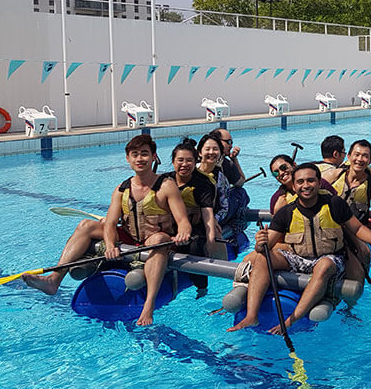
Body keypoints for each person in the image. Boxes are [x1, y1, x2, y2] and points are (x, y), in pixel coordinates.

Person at [22, 135, 191, 326]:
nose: (139, 159)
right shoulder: (121, 189)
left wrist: (183, 233)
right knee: (86, 225)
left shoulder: (166, 186)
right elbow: (110, 224)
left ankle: (148, 305)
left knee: (160, 238)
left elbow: (183, 221)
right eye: (134, 154)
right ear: (128, 159)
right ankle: (54, 280)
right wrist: (110, 245)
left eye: (145, 154)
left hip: (154, 239)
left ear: (154, 157)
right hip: (129, 238)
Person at [227, 163, 371, 333]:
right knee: (263, 258)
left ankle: (292, 319)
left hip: (329, 258)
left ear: (318, 182)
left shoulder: (334, 204)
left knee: (324, 265)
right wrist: (260, 242)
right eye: (300, 182)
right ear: (294, 186)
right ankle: (251, 316)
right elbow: (265, 246)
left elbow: (357, 228)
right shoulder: (286, 212)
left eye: (310, 180)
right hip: (298, 258)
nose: (306, 185)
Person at [323, 139, 371, 284]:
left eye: (365, 156)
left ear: (370, 160)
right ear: (348, 157)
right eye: (356, 154)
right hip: (331, 229)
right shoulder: (335, 175)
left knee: (364, 251)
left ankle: (364, 280)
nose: (360, 159)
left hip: (356, 231)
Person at [164, 137, 223, 298]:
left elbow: (207, 214)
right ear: (173, 161)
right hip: (168, 226)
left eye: (189, 160)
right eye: (180, 160)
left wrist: (210, 241)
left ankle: (201, 288)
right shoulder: (164, 180)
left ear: (195, 161)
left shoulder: (202, 183)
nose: (184, 164)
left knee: (195, 247)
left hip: (194, 228)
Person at [209, 128, 251, 233]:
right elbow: (241, 182)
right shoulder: (225, 164)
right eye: (228, 142)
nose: (231, 145)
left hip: (205, 213)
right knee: (241, 193)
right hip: (216, 215)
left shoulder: (197, 159)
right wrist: (234, 159)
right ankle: (235, 223)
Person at [269, 154, 337, 215]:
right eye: (276, 173)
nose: (281, 173)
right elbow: (275, 226)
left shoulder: (319, 184)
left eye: (283, 167)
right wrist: (277, 212)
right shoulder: (277, 198)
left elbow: (339, 204)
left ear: (294, 165)